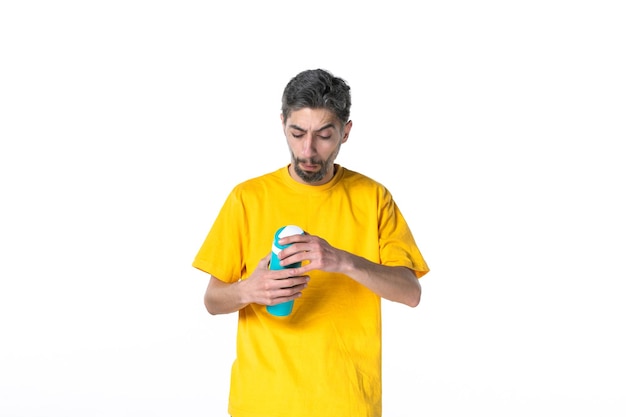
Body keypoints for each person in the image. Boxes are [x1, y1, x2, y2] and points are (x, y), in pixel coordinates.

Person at [192, 68, 429, 417]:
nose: (308, 149)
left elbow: (410, 293)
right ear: (283, 123)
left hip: (347, 404)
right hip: (262, 404)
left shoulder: (373, 198)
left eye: (324, 135)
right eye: (297, 132)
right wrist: (249, 290)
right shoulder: (247, 198)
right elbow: (212, 300)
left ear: (345, 132)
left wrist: (342, 261)